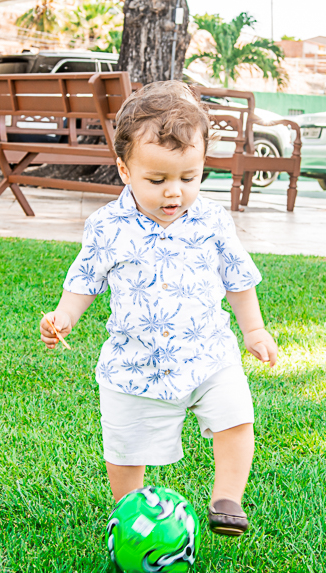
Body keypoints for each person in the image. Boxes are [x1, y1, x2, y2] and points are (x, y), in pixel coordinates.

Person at [39, 80, 278, 537]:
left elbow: (238, 277)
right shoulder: (108, 226)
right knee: (125, 444)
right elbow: (84, 280)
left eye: (189, 178)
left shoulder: (212, 220)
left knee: (236, 416)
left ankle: (227, 498)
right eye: (158, 180)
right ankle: (129, 512)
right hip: (135, 360)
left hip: (208, 352)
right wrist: (63, 316)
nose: (175, 193)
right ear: (124, 170)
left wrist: (254, 330)